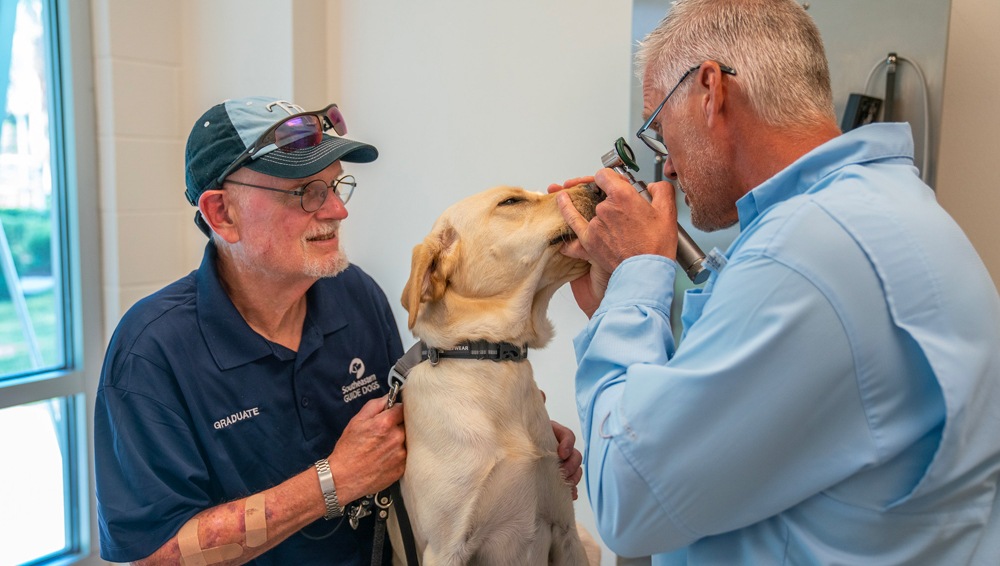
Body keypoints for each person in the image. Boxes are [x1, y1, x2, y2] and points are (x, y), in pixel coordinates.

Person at [554, 1, 1000, 564]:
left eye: (660, 130)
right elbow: (741, 415)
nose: (665, 166)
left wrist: (637, 285)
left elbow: (630, 500)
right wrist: (621, 298)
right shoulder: (890, 209)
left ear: (710, 90)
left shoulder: (804, 255)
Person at [94, 96, 583, 565]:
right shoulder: (151, 351)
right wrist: (334, 480)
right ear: (223, 213)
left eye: (336, 187)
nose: (337, 211)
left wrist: (520, 442)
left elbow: (410, 440)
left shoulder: (354, 293)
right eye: (305, 192)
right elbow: (156, 555)